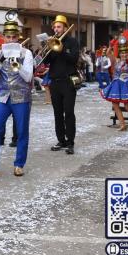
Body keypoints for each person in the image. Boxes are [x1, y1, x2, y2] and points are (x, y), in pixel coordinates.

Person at [0, 16, 33, 178]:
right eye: (8, 37)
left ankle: (19, 165)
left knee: (22, 131)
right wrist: (0, 61)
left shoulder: (26, 53)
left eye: (14, 37)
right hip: (3, 96)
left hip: (21, 97)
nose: (10, 39)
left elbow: (28, 77)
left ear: (18, 37)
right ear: (4, 37)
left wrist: (18, 64)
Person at [45, 15, 79, 155]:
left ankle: (70, 142)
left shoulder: (72, 42)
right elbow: (46, 62)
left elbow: (74, 59)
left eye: (59, 27)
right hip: (55, 82)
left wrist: (61, 50)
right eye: (54, 27)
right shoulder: (52, 42)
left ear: (65, 27)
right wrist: (48, 47)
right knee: (57, 113)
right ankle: (61, 140)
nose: (56, 29)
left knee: (69, 113)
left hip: (68, 81)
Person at [101, 39, 128, 132]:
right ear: (119, 54)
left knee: (127, 106)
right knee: (115, 105)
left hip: (125, 86)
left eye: (125, 53)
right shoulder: (116, 61)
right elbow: (108, 53)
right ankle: (122, 124)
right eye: (122, 53)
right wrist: (111, 45)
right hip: (116, 85)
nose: (123, 55)